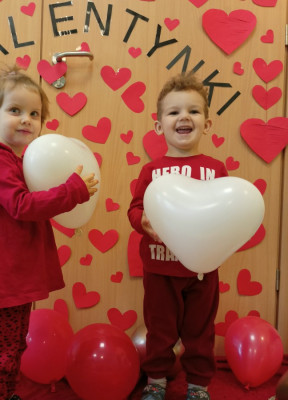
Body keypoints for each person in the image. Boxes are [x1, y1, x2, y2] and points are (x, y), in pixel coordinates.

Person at [0, 65, 98, 400]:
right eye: (15, 110)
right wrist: (72, 191)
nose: (26, 120)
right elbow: (21, 205)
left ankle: (5, 393)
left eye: (34, 114)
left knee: (12, 346)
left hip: (12, 279)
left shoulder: (19, 162)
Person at [128, 73, 228, 400]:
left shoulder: (216, 169)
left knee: (200, 332)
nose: (184, 117)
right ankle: (156, 381)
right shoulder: (151, 171)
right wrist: (142, 222)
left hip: (202, 271)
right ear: (159, 126)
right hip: (160, 269)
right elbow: (135, 209)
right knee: (160, 331)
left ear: (207, 124)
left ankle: (197, 386)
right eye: (174, 112)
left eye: (193, 111)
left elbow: (226, 212)